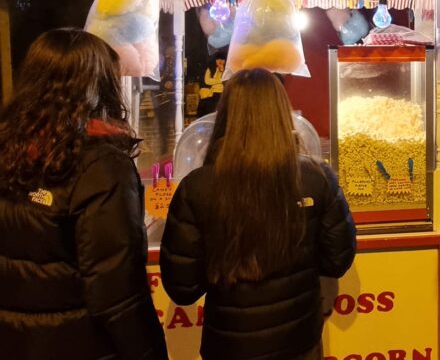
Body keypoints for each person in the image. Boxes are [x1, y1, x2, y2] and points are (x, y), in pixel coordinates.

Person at [161, 69, 356, 360]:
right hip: (299, 341)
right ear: (281, 112)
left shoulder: (197, 188)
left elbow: (182, 287)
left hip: (229, 346)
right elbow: (337, 260)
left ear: (226, 115)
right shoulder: (317, 178)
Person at [0, 29, 168, 360]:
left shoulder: (8, 150)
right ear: (98, 86)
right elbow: (117, 293)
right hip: (82, 345)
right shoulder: (100, 165)